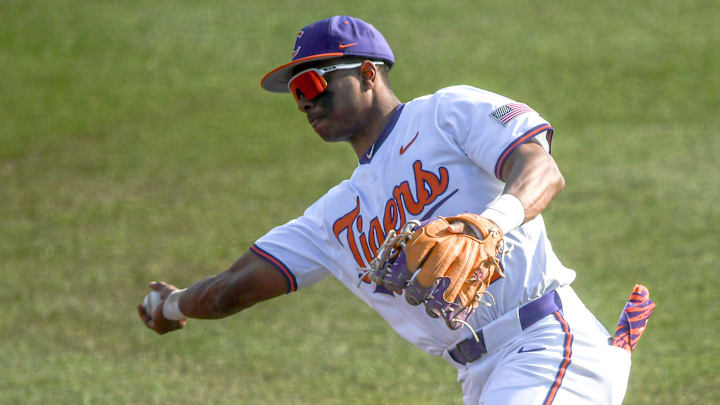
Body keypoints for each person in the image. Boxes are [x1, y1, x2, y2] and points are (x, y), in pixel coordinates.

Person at [138, 15, 636, 404]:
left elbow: (542, 169)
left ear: (368, 73)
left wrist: (491, 223)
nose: (304, 102)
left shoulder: (447, 113)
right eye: (295, 93)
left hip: (546, 345)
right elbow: (229, 291)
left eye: (313, 83)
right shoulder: (332, 218)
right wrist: (173, 305)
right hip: (480, 377)